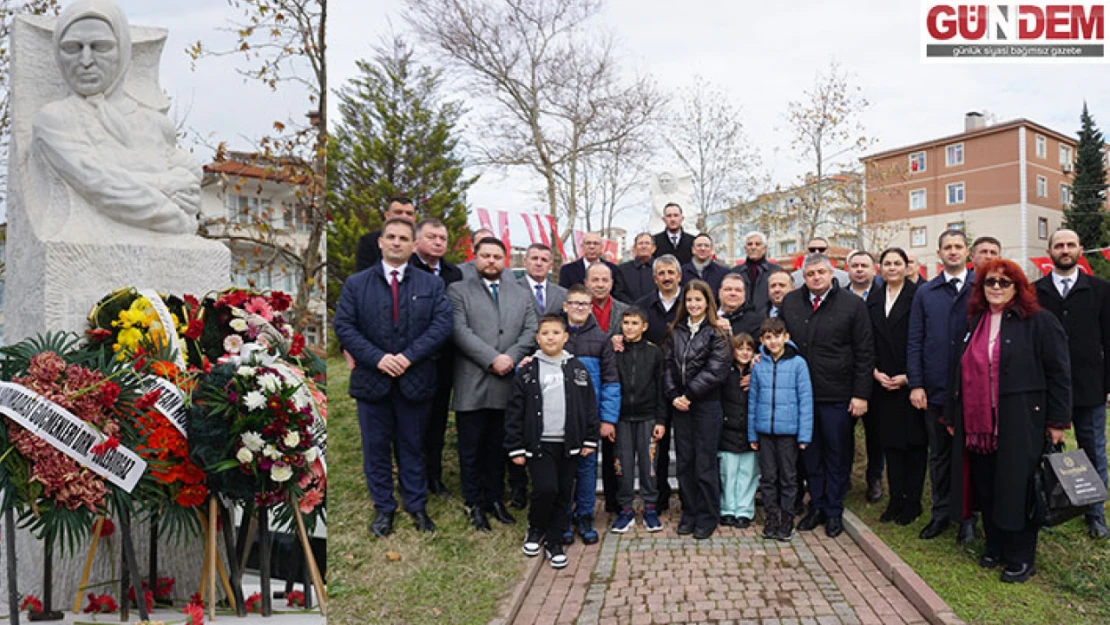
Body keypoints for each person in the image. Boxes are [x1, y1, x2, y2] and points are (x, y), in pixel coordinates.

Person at [944, 259, 1071, 583]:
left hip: (1021, 421)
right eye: (990, 282)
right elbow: (957, 371)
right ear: (981, 288)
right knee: (987, 486)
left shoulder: (1039, 321)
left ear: (1017, 287)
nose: (996, 288)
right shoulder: (975, 321)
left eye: (1004, 282)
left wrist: (1058, 421)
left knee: (1018, 488)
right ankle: (996, 546)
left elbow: (1059, 374)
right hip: (978, 426)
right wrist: (951, 413)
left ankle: (1021, 556)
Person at [32, 0, 202, 237]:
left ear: (123, 51)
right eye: (73, 48)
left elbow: (190, 183)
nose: (86, 60)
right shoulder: (55, 119)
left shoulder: (157, 125)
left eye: (100, 47)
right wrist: (176, 213)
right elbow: (102, 184)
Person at [334, 217, 454, 537]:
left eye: (404, 238)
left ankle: (416, 506)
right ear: (381, 242)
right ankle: (384, 508)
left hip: (415, 379)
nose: (397, 242)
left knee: (413, 446)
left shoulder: (431, 285)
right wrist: (378, 358)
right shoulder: (357, 284)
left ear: (414, 245)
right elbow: (345, 327)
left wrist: (408, 356)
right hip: (373, 381)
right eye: (391, 237)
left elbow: (442, 325)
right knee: (376, 449)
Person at [780, 253, 874, 538]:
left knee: (837, 454)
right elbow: (778, 342)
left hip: (838, 393)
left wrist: (861, 394)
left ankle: (834, 509)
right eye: (810, 274)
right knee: (811, 455)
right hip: (801, 396)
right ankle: (817, 506)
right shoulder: (791, 302)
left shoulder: (852, 305)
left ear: (832, 273)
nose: (816, 278)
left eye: (821, 272)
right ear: (803, 276)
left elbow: (864, 351)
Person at [449, 237, 539, 531]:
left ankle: (495, 499)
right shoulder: (459, 290)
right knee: (471, 447)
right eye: (485, 255)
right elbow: (459, 330)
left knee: (498, 447)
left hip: (506, 382)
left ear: (506, 259)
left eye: (497, 256)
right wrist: (491, 358)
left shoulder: (521, 293)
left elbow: (530, 330)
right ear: (475, 258)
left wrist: (510, 358)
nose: (491, 261)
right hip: (473, 381)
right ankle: (473, 502)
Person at [506, 314, 600, 570]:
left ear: (566, 337)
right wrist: (515, 445)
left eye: (556, 333)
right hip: (539, 444)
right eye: (545, 333)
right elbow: (515, 411)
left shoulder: (577, 368)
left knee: (562, 492)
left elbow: (590, 406)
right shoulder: (527, 371)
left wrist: (590, 439)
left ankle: (555, 541)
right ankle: (536, 529)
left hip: (568, 443)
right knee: (545, 488)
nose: (550, 337)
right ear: (537, 338)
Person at [1034, 229, 1110, 539]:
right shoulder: (1034, 292)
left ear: (1080, 249)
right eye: (1059, 245)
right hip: (1046, 388)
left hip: (1089, 387)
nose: (1065, 250)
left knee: (1093, 450)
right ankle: (1049, 505)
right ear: (1049, 251)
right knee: (1046, 450)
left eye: (1070, 245)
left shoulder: (1100, 290)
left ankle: (1094, 513)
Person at [907, 229, 979, 543]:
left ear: (968, 252)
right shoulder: (926, 292)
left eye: (958, 247)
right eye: (947, 247)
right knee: (939, 455)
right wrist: (917, 384)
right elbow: (915, 340)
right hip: (935, 389)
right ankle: (940, 513)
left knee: (971, 455)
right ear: (939, 254)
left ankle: (968, 518)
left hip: (972, 390)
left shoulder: (981, 288)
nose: (952, 252)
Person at [662, 280, 732, 539]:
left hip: (706, 405)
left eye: (698, 300)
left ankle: (707, 515)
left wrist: (690, 394)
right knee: (685, 462)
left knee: (704, 463)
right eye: (689, 300)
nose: (693, 304)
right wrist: (673, 395)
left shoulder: (718, 333)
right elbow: (667, 366)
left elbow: (717, 370)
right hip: (680, 406)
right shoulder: (675, 331)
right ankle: (689, 512)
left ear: (708, 303)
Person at [867, 248, 927, 526]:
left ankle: (912, 502)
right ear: (880, 268)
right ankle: (895, 500)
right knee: (891, 444)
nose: (892, 268)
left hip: (910, 382)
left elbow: (924, 341)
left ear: (906, 267)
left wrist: (910, 376)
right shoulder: (873, 298)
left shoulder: (919, 296)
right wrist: (875, 372)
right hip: (882, 382)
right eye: (887, 263)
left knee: (914, 446)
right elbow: (867, 339)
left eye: (897, 263)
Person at [561, 285, 621, 543]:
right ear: (565, 306)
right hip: (557, 416)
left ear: (590, 307)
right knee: (562, 470)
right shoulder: (554, 334)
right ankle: (562, 517)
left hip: (588, 418)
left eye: (584, 304)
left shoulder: (601, 338)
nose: (579, 308)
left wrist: (608, 418)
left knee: (586, 469)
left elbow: (611, 382)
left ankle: (585, 516)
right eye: (574, 303)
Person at [409, 218, 464, 497]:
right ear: (417, 240)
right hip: (412, 359)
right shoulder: (406, 269)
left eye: (442, 238)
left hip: (445, 360)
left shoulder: (454, 274)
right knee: (412, 424)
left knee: (438, 422)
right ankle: (412, 478)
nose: (438, 242)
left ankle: (435, 476)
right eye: (432, 237)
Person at [748, 318, 814, 541]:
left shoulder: (798, 364)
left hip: (788, 432)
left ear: (786, 337)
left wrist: (804, 434)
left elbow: (805, 400)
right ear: (762, 340)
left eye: (777, 336)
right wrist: (752, 432)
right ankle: (771, 517)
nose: (773, 341)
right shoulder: (759, 366)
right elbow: (753, 401)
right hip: (765, 431)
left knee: (788, 477)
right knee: (768, 477)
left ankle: (787, 518)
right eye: (768, 337)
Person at [631, 254, 683, 512]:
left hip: (685, 384)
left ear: (679, 275)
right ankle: (659, 496)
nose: (666, 277)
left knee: (686, 444)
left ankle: (688, 496)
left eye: (670, 272)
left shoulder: (692, 302)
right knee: (658, 445)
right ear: (654, 278)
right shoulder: (643, 305)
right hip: (653, 385)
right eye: (661, 273)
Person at [610, 308, 667, 533]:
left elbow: (661, 387)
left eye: (635, 323)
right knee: (622, 466)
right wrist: (609, 419)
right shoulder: (614, 351)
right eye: (626, 323)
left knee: (649, 465)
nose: (629, 327)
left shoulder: (654, 353)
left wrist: (661, 420)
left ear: (644, 326)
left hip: (648, 417)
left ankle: (650, 508)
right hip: (621, 418)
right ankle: (625, 510)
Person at [846, 249, 885, 503]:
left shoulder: (884, 296)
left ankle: (874, 479)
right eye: (855, 265)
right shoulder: (838, 297)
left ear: (874, 269)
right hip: (845, 375)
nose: (860, 269)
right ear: (847, 269)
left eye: (864, 265)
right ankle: (844, 476)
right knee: (843, 432)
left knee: (876, 433)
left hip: (878, 375)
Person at [718, 333, 758, 529]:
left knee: (747, 473)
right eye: (740, 348)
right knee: (728, 472)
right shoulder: (725, 372)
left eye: (748, 349)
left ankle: (744, 509)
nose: (744, 353)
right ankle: (727, 508)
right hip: (728, 430)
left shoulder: (758, 372)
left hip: (749, 431)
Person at [558, 231, 631, 302]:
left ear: (602, 247)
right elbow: (564, 295)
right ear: (582, 247)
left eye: (595, 243)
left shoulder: (613, 269)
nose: (592, 247)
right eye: (588, 243)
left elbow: (618, 294)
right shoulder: (567, 270)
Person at [356, 197, 417, 271]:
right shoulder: (369, 242)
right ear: (387, 215)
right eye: (398, 212)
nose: (404, 216)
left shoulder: (422, 243)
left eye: (409, 213)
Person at [730, 231, 782, 312]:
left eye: (757, 244)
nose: (753, 247)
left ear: (764, 248)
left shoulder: (776, 271)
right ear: (745, 248)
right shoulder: (734, 272)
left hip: (767, 319)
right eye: (749, 244)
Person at [520, 243, 567, 315]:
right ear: (524, 262)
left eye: (544, 260)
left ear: (550, 266)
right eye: (534, 258)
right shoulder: (512, 290)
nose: (539, 263)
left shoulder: (563, 294)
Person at [586, 263, 630, 337]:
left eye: (605, 280)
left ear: (611, 283)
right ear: (586, 283)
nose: (600, 285)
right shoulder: (577, 311)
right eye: (595, 280)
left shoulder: (625, 311)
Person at [716, 273, 765, 338]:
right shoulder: (708, 316)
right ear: (720, 293)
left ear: (744, 294)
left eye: (738, 290)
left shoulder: (756, 322)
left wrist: (730, 335)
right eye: (728, 289)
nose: (733, 293)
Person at [619, 233, 658, 303]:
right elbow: (619, 293)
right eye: (640, 243)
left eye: (647, 243)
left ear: (653, 248)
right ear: (634, 248)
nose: (644, 246)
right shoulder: (622, 269)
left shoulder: (660, 268)